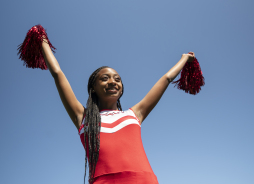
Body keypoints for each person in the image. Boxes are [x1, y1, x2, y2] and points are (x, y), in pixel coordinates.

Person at [41, 38, 195, 184]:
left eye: (117, 79)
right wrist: (42, 41)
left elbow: (167, 79)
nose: (112, 82)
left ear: (121, 88)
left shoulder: (134, 114)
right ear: (93, 88)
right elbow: (57, 73)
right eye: (105, 78)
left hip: (143, 180)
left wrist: (184, 58)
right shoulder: (83, 117)